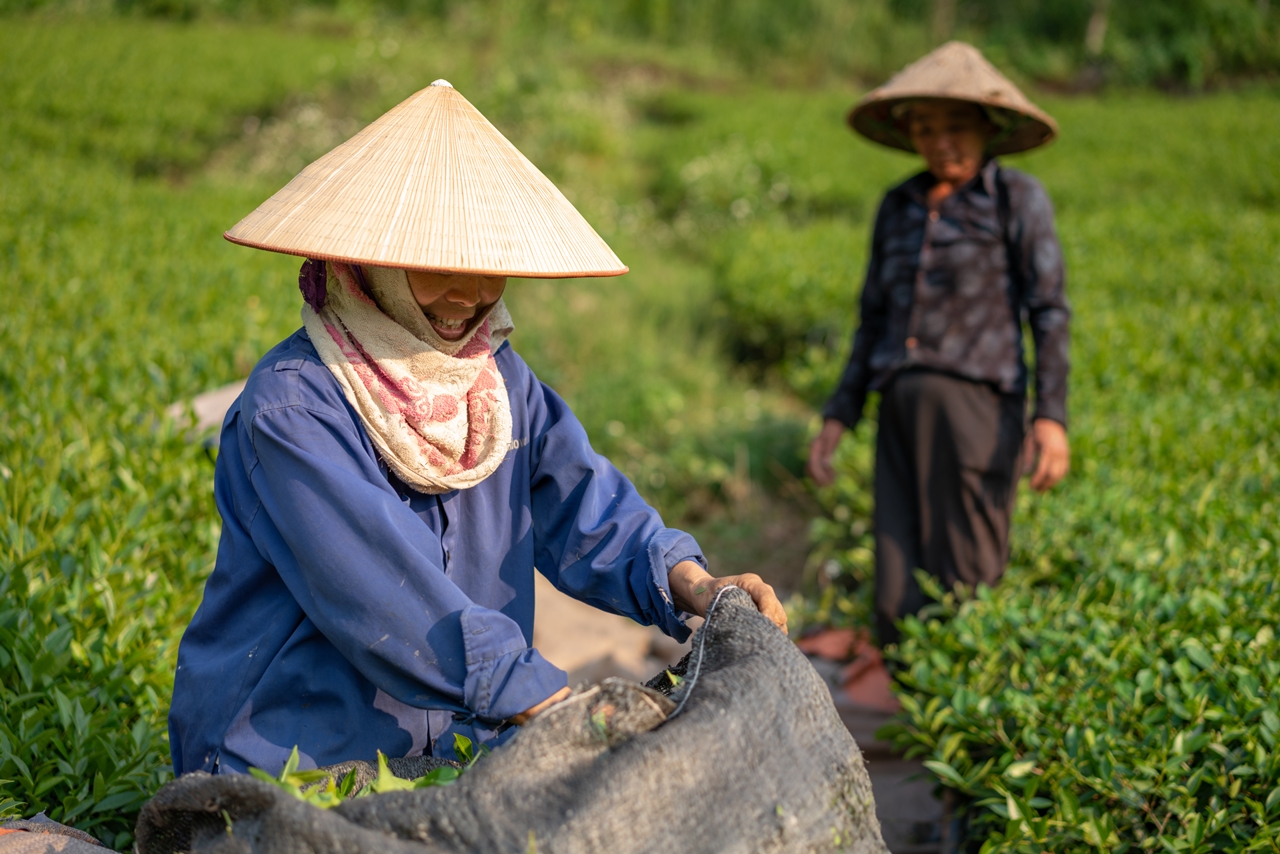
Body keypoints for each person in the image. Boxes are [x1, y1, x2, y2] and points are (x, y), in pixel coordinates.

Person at [169, 80, 786, 776]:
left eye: (486, 267)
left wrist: (695, 585)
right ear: (367, 259)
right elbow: (382, 592)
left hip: (457, 748)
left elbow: (587, 507)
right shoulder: (295, 408)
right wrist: (542, 701)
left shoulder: (498, 384)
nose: (466, 297)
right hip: (293, 761)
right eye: (436, 266)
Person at [807, 43, 1071, 646]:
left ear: (988, 128)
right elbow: (872, 317)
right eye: (924, 128)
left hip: (978, 407)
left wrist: (1050, 417)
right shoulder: (898, 205)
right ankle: (905, 714)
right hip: (899, 408)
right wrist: (838, 414)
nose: (940, 141)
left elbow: (1048, 310)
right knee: (897, 567)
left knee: (967, 567)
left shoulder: (1015, 200)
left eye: (955, 126)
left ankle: (968, 706)